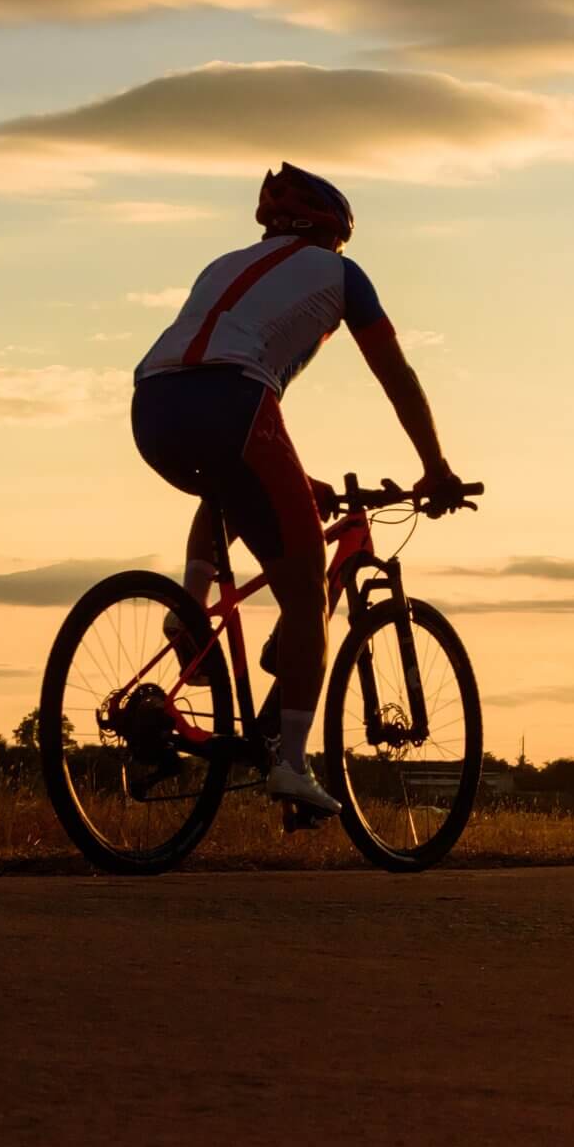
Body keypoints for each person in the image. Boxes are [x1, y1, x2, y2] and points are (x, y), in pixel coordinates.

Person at [128, 163, 464, 815]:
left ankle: (190, 607)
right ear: (333, 232)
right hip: (234, 401)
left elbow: (210, 377)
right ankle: (290, 764)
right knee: (309, 591)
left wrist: (299, 481)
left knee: (226, 480)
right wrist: (435, 465)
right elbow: (396, 372)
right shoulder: (341, 274)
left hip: (152, 405)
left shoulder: (223, 263)